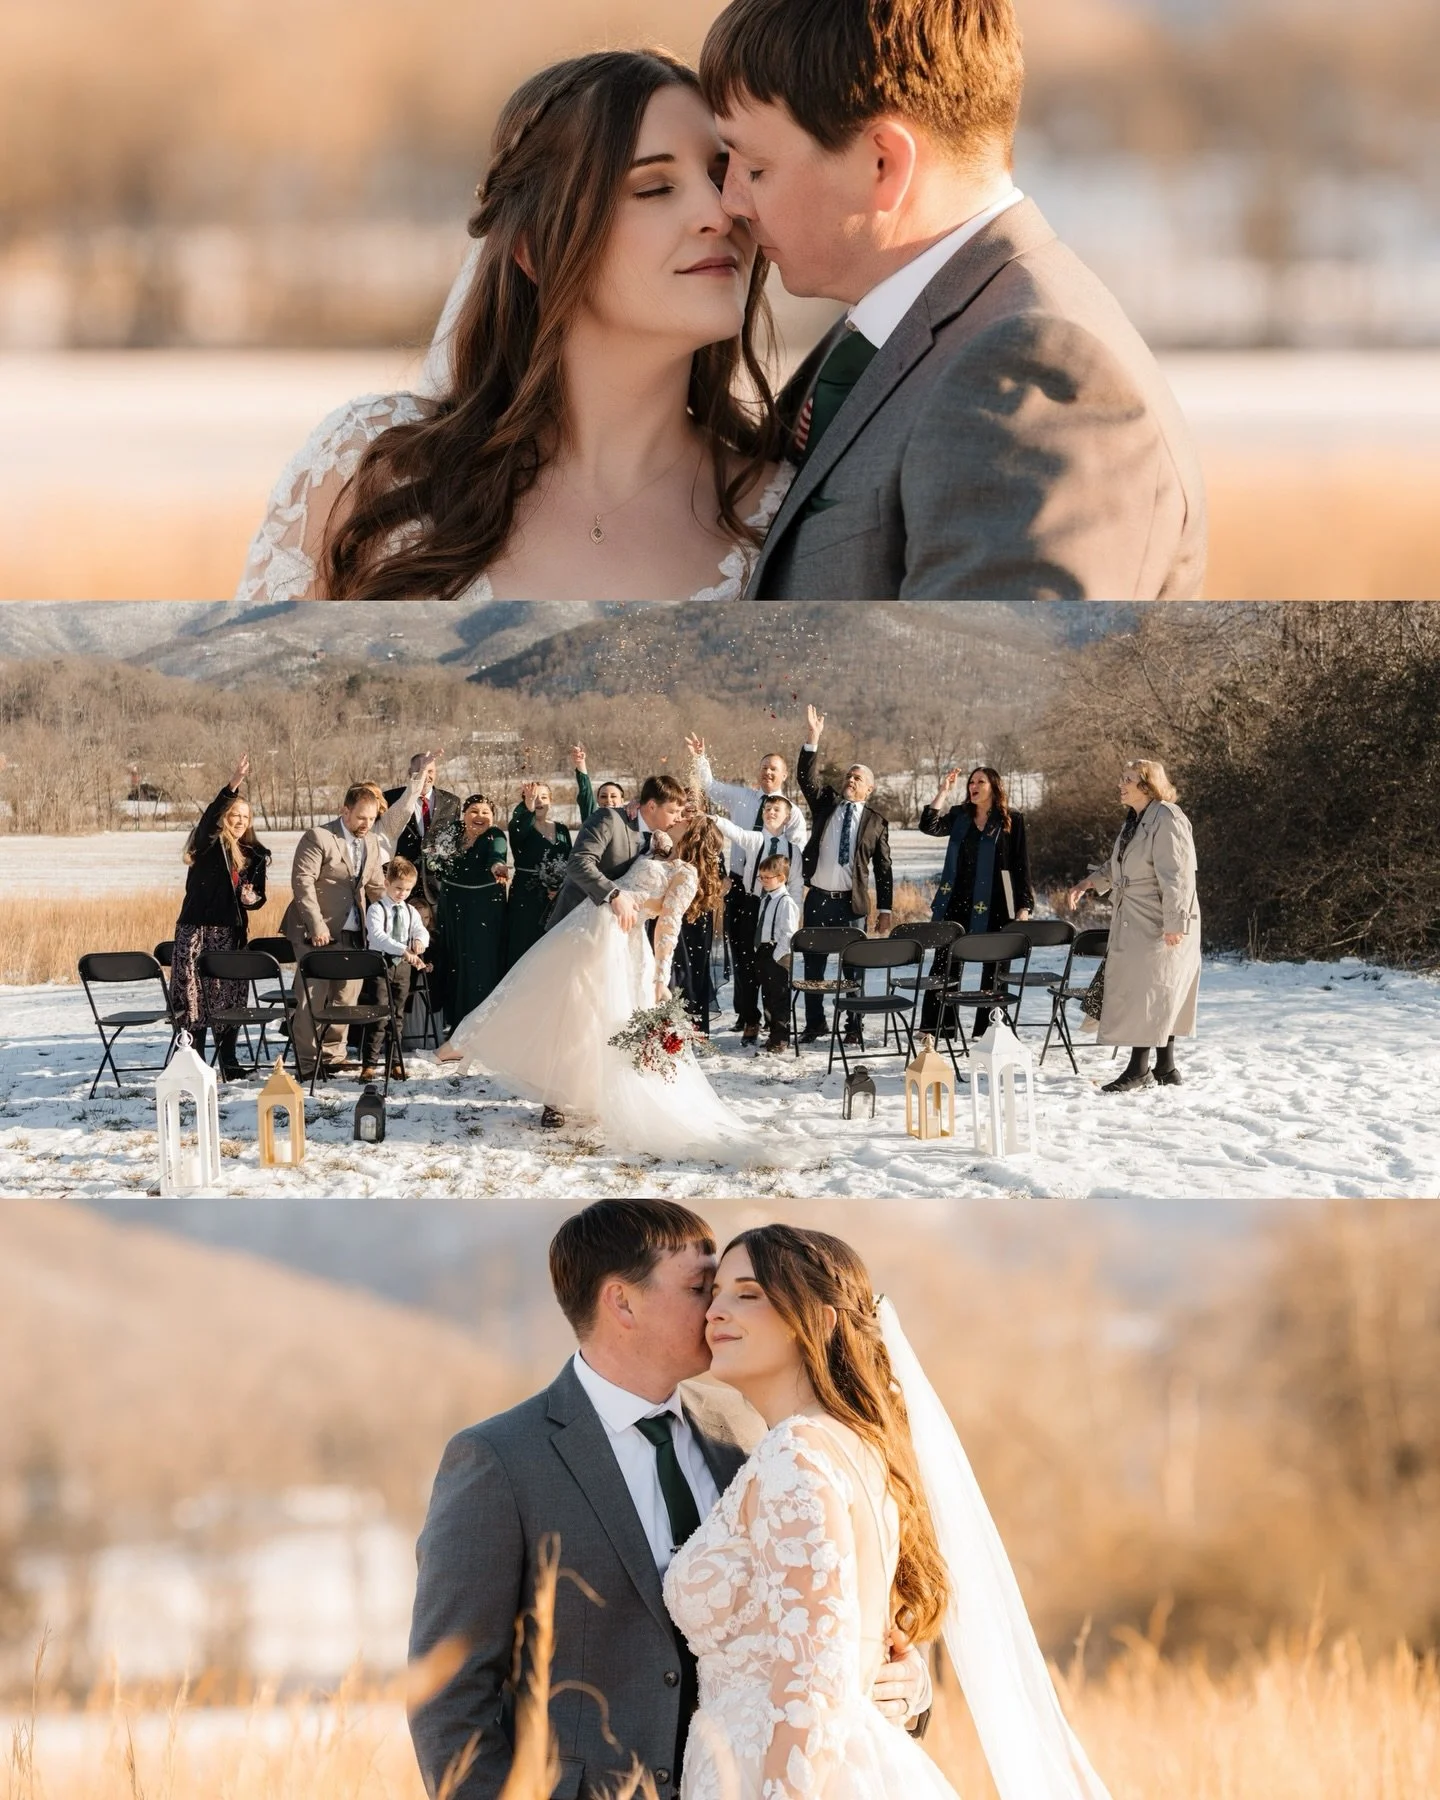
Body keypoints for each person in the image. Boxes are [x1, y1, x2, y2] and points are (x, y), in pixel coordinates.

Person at [408, 1201, 931, 1800]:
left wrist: (907, 1684)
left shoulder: (753, 1431)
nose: (715, 1310)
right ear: (623, 1303)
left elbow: (835, 1613)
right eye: (700, 1288)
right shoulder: (500, 1459)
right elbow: (447, 1697)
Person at [236, 51, 788, 608]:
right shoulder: (370, 473)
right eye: (653, 188)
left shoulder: (780, 518)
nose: (720, 213)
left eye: (723, 177)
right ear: (534, 250)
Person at [699, 0, 1206, 602]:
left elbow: (991, 663)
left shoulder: (1030, 376)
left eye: (756, 169)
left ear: (884, 163)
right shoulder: (882, 332)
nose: (730, 202)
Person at [670, 1224, 1119, 1800]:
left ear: (820, 1322)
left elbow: (814, 1679)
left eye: (748, 1294)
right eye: (715, 1294)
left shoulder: (795, 1453)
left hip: (790, 1776)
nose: (715, 1311)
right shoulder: (851, 1447)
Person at [442, 810, 789, 1164]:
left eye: (685, 818)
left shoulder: (685, 874)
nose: (677, 818)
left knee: (596, 1016)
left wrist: (660, 979)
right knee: (561, 1004)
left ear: (693, 835)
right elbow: (647, 824)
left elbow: (667, 928)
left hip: (620, 944)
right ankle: (552, 1089)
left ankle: (589, 1094)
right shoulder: (658, 846)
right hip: (589, 925)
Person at [281, 763, 427, 1080]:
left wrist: (401, 916)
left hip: (353, 932)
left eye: (371, 819)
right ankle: (308, 1062)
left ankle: (333, 1056)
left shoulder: (372, 843)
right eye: (361, 817)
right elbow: (302, 882)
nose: (366, 824)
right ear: (345, 811)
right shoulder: (319, 837)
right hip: (315, 931)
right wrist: (316, 925)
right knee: (312, 998)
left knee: (346, 997)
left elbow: (375, 888)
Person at [1067, 760, 1201, 1092]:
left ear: (1147, 784)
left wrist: (1175, 922)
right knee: (1157, 989)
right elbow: (1119, 865)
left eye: (1127, 779)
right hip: (1136, 916)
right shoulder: (1135, 820)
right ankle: (1166, 1067)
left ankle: (1139, 1069)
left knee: (1151, 990)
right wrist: (1088, 883)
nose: (1120, 784)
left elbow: (1178, 876)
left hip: (1159, 919)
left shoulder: (1168, 818)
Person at [686, 735, 807, 1041]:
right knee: (742, 955)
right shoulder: (742, 797)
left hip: (775, 894)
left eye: (774, 768)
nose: (768, 772)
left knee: (770, 957)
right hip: (741, 887)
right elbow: (710, 786)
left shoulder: (791, 812)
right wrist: (701, 758)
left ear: (784, 775)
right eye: (764, 767)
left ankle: (774, 1021)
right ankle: (748, 1016)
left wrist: (790, 905)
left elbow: (793, 858)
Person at [169, 753, 271, 1081]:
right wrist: (233, 786)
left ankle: (229, 1061)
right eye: (234, 814)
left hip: (231, 932)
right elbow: (210, 822)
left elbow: (258, 896)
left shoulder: (255, 854)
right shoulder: (209, 845)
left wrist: (252, 898)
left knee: (230, 996)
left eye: (245, 816)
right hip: (197, 930)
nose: (240, 821)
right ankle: (195, 1061)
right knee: (194, 996)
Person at [796, 704, 892, 1047]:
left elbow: (884, 868)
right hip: (819, 899)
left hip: (852, 906)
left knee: (853, 968)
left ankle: (854, 1024)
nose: (850, 780)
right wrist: (813, 738)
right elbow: (805, 778)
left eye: (858, 778)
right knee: (814, 967)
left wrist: (885, 909)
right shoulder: (827, 803)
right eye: (849, 776)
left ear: (869, 789)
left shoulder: (877, 822)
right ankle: (815, 1023)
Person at [918, 766, 1034, 1038]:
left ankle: (988, 1029)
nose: (974, 786)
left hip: (997, 902)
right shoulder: (960, 815)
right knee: (945, 962)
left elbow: (1021, 864)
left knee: (995, 965)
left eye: (981, 781)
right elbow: (929, 826)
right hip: (956, 899)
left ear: (994, 787)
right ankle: (938, 1027)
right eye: (971, 782)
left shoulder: (1011, 819)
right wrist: (943, 792)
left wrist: (1024, 905)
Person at [506, 745, 596, 966]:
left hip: (557, 898)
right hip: (526, 899)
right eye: (533, 797)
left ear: (551, 801)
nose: (539, 801)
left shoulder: (562, 829)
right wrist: (527, 808)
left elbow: (570, 861)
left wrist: (561, 887)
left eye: (543, 797)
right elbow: (517, 828)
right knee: (525, 948)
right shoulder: (521, 827)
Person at [430, 795, 513, 1033]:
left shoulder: (495, 835)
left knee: (479, 964)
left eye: (486, 812)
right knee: (453, 961)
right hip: (452, 906)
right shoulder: (452, 833)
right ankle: (454, 1024)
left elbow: (496, 855)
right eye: (474, 811)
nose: (479, 816)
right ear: (464, 814)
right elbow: (435, 859)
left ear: (493, 818)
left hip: (483, 910)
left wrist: (497, 866)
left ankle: (481, 1027)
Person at [362, 855, 431, 1083]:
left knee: (397, 1016)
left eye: (407, 889)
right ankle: (370, 1063)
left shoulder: (410, 911)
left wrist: (420, 941)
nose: (402, 893)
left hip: (402, 968)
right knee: (378, 1015)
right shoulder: (377, 909)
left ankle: (395, 1062)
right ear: (387, 884)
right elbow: (378, 936)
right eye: (398, 888)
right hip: (380, 966)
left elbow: (420, 930)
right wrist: (403, 949)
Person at [384, 755, 460, 911]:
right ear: (409, 773)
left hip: (436, 888)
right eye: (420, 770)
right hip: (400, 885)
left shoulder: (452, 802)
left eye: (430, 771)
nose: (426, 775)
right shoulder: (390, 799)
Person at [750, 851, 801, 1051]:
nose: (763, 881)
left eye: (767, 877)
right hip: (764, 950)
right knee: (768, 996)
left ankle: (781, 1038)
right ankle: (772, 1034)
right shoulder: (766, 899)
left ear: (781, 878)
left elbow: (788, 934)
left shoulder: (786, 902)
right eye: (761, 877)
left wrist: (776, 956)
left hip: (778, 954)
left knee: (779, 997)